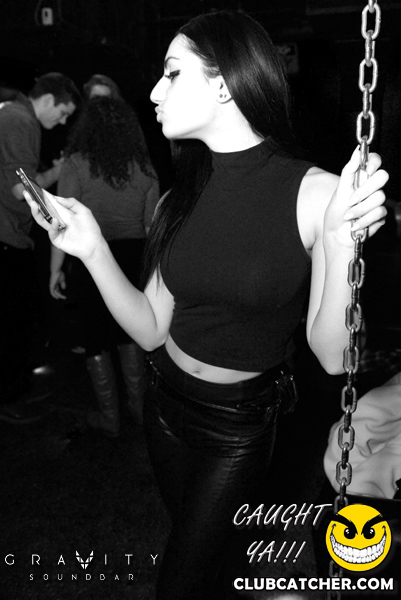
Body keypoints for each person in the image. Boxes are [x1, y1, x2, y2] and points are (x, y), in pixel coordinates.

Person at [24, 10, 388, 599]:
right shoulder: (177, 199)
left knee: (182, 581)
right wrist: (91, 249)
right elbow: (150, 328)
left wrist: (343, 241)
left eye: (171, 73)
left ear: (224, 84)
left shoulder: (314, 193)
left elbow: (333, 356)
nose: (153, 91)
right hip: (164, 409)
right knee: (211, 563)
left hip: (238, 428)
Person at [51, 96, 159, 435]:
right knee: (131, 331)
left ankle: (110, 418)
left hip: (90, 259)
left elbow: (61, 224)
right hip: (133, 257)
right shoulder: (144, 166)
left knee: (95, 336)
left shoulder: (75, 164)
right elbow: (151, 226)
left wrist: (55, 271)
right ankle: (139, 411)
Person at [0, 72, 81, 423]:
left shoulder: (12, 115)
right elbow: (21, 188)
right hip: (6, 237)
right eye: (63, 113)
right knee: (12, 323)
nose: (62, 122)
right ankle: (8, 398)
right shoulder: (20, 120)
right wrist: (57, 216)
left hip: (10, 235)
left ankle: (13, 390)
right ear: (47, 100)